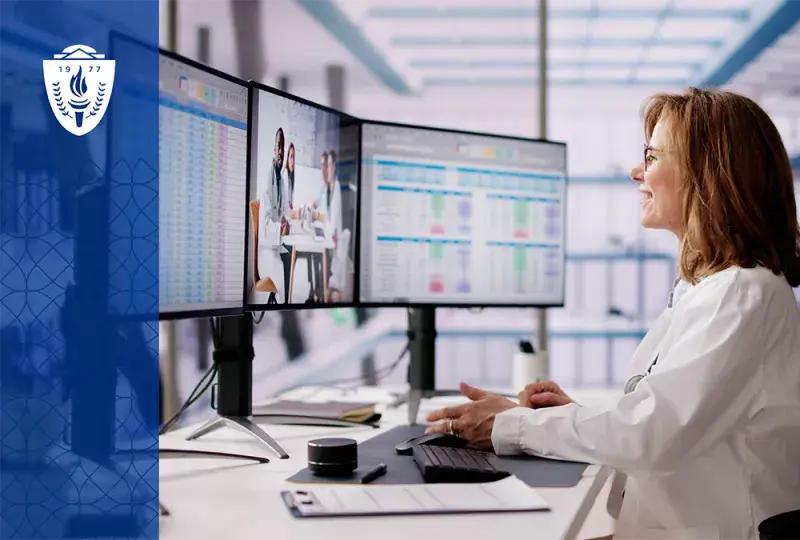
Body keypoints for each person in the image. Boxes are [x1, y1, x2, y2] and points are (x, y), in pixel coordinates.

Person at [424, 88, 800, 540]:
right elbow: (667, 417)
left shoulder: (742, 295)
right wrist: (570, 417)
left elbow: (652, 434)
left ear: (708, 176)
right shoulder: (710, 289)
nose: (636, 171)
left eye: (652, 156)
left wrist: (512, 425)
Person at [257, 127, 290, 303]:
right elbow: (264, 224)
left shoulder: (281, 179)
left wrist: (285, 221)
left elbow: (284, 209)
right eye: (278, 146)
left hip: (277, 242)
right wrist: (279, 229)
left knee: (292, 255)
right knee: (285, 264)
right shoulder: (267, 174)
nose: (280, 152)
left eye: (282, 149)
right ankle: (284, 311)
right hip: (266, 249)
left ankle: (286, 305)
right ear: (273, 148)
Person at [312, 149, 343, 301]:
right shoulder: (326, 189)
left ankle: (320, 292)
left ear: (334, 166)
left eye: (329, 165)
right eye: (324, 165)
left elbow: (332, 224)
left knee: (319, 255)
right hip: (327, 236)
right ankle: (317, 292)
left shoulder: (335, 189)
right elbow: (317, 204)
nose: (327, 169)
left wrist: (319, 217)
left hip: (332, 242)